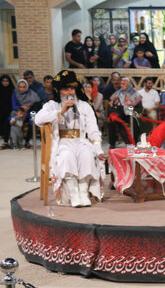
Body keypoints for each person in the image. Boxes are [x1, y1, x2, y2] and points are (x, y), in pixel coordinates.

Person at [34, 70, 105, 207]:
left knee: (87, 155)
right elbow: (38, 119)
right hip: (62, 142)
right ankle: (73, 194)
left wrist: (98, 149)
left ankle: (83, 193)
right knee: (67, 156)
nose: (69, 92)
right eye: (66, 89)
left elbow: (93, 131)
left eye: (72, 88)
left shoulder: (85, 106)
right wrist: (61, 111)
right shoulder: (52, 105)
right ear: (59, 90)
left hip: (81, 141)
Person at [108, 77, 142, 147]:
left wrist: (133, 109)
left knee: (135, 122)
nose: (122, 85)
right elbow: (111, 104)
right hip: (119, 112)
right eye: (121, 84)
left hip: (130, 113)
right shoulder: (117, 93)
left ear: (129, 84)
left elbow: (140, 108)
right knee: (111, 122)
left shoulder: (135, 94)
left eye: (124, 84)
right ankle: (112, 144)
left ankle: (134, 142)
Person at [0, 75, 15, 150]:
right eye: (3, 81)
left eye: (7, 81)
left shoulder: (12, 89)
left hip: (10, 111)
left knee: (7, 124)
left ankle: (5, 142)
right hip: (1, 111)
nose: (5, 83)